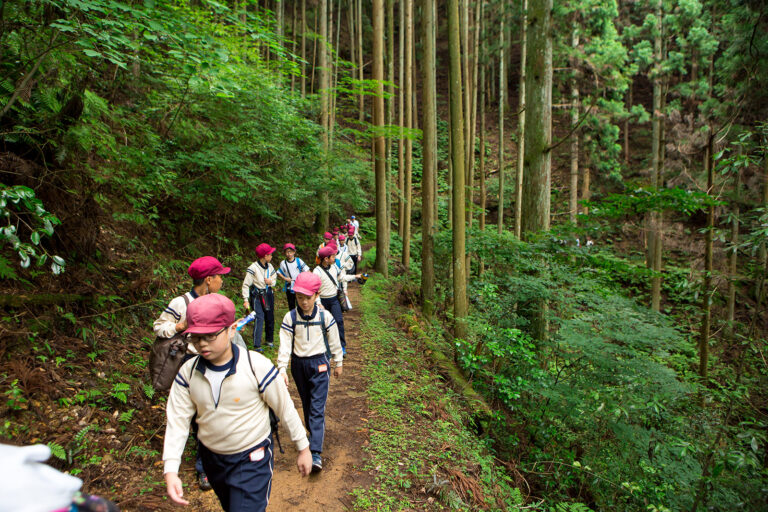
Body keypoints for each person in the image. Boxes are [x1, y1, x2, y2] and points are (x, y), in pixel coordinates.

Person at [163, 294, 312, 511]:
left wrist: (303, 447)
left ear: (232, 329)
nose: (202, 343)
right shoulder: (188, 372)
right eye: (196, 337)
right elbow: (177, 421)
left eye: (210, 335)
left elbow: (285, 407)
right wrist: (171, 469)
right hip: (212, 460)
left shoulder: (255, 366)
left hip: (252, 460)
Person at [153, 255, 231, 490]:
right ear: (208, 279)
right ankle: (204, 468)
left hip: (214, 360)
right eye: (219, 277)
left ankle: (220, 457)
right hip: (189, 363)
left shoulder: (217, 301)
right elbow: (159, 326)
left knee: (214, 410)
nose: (222, 282)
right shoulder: (181, 302)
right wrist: (180, 326)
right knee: (202, 415)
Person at [277, 272, 343, 473]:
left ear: (317, 295)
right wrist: (282, 367)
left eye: (308, 297)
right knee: (306, 403)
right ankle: (312, 432)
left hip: (320, 363)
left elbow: (334, 340)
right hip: (299, 365)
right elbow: (285, 344)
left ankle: (315, 452)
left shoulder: (325, 316)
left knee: (316, 406)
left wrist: (338, 361)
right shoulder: (290, 318)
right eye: (299, 297)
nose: (304, 302)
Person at [314, 245, 360, 355]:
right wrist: (319, 304)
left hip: (334, 300)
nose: (335, 258)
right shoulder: (317, 272)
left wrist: (355, 276)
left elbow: (342, 277)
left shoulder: (334, 267)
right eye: (333, 256)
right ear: (326, 259)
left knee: (338, 321)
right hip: (323, 302)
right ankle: (324, 348)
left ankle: (341, 346)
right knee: (323, 325)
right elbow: (315, 290)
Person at [242, 243, 277, 351]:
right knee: (259, 318)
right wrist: (245, 299)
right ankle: (257, 344)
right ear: (265, 256)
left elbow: (274, 280)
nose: (271, 256)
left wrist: (271, 282)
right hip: (257, 296)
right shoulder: (253, 268)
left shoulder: (270, 266)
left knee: (270, 317)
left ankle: (269, 340)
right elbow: (246, 284)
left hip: (268, 294)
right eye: (270, 254)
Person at [276, 243, 310, 311]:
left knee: (300, 302)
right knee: (291, 304)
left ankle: (301, 316)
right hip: (289, 286)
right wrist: (285, 278)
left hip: (299, 285)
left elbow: (307, 270)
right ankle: (292, 318)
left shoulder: (298, 261)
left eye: (290, 252)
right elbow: (279, 272)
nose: (289, 254)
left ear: (294, 252)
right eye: (287, 252)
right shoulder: (283, 263)